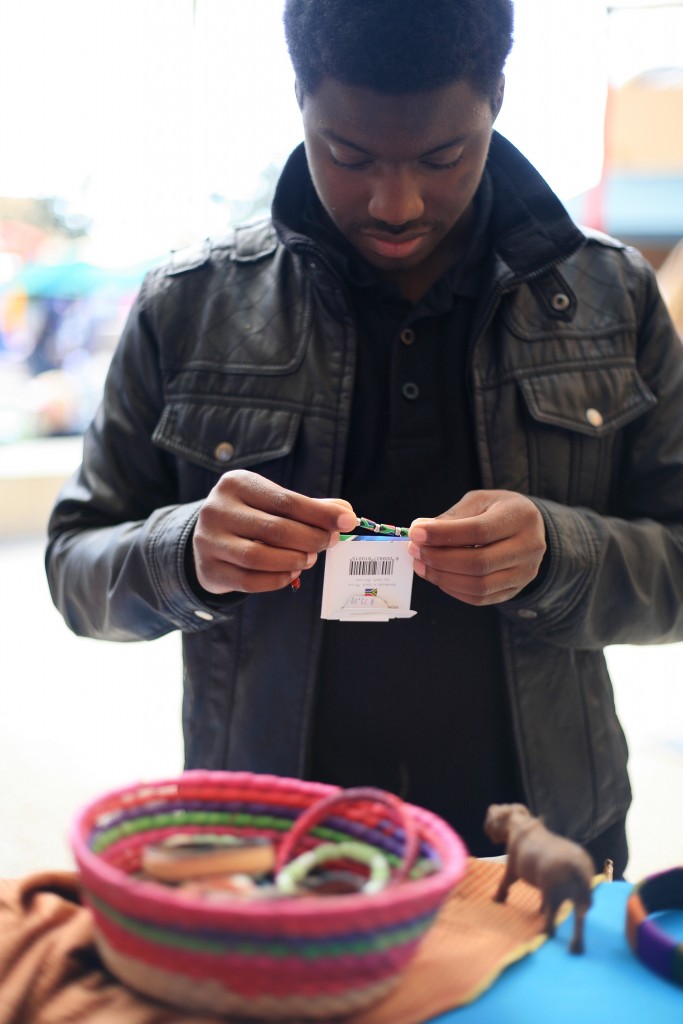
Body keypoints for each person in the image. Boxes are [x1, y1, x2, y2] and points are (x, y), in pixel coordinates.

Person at [46, 0, 683, 878]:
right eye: (347, 154)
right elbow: (75, 569)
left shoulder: (613, 297)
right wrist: (185, 552)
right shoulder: (186, 304)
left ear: (495, 97)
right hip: (266, 850)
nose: (396, 202)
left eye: (442, 156)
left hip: (536, 846)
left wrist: (558, 555)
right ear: (299, 98)